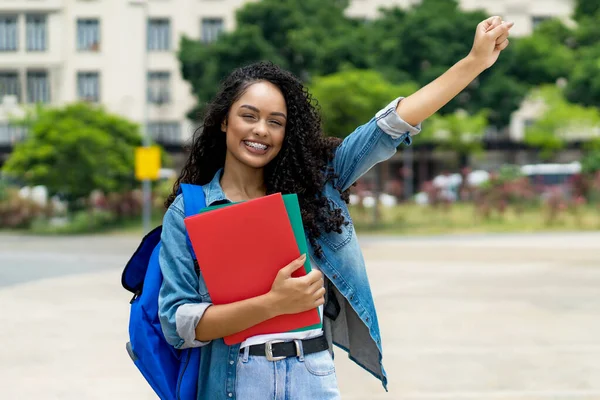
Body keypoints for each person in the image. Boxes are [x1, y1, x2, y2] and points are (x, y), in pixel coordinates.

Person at [158, 16, 514, 400]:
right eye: (249, 116)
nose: (261, 130)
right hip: (238, 380)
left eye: (275, 122)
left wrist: (474, 62)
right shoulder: (188, 212)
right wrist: (274, 303)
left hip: (312, 373)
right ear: (224, 122)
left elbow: (392, 124)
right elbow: (179, 325)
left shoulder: (316, 185)